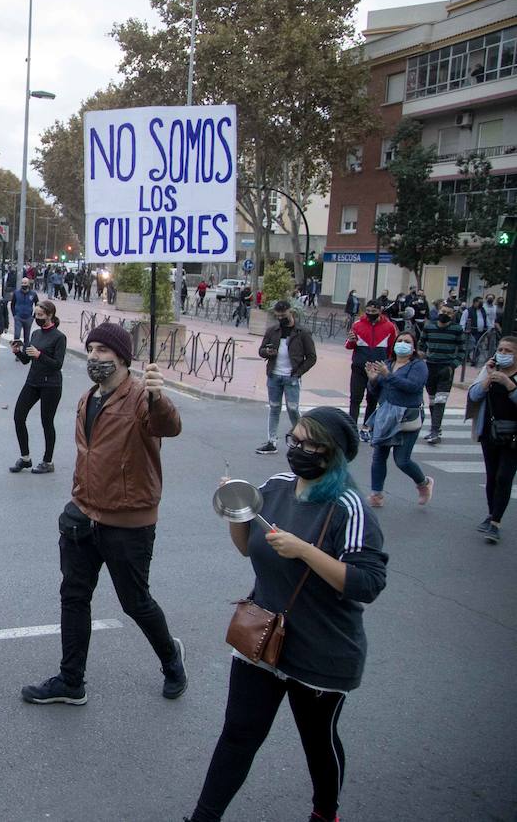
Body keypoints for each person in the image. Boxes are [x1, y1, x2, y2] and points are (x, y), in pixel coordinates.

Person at [185, 407, 387, 822]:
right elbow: (247, 547)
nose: (297, 450)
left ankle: (324, 813)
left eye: (309, 443)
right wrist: (234, 509)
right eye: (293, 440)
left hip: (321, 651)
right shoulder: (275, 487)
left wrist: (305, 550)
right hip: (262, 638)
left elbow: (367, 583)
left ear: (333, 453)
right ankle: (204, 817)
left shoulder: (348, 507)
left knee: (318, 743)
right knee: (238, 735)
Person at [22, 322, 185, 706]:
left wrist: (159, 397)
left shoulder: (143, 398)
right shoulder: (88, 398)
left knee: (135, 602)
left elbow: (168, 427)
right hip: (83, 516)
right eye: (91, 348)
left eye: (103, 350)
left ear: (123, 357)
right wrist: (77, 500)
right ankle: (71, 681)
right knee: (74, 597)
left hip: (128, 522)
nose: (94, 356)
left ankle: (171, 660)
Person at [363, 327, 433, 508]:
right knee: (379, 456)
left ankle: (423, 484)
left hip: (407, 416)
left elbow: (413, 387)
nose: (402, 345)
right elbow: (376, 392)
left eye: (407, 342)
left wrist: (388, 376)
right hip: (386, 415)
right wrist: (372, 380)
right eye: (399, 341)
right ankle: (376, 494)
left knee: (402, 460)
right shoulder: (387, 363)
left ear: (414, 348)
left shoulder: (418, 365)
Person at [469, 334, 517, 544]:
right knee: (491, 476)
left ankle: (496, 523)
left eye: (509, 351)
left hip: (513, 436)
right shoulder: (490, 370)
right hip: (490, 432)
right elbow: (473, 395)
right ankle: (491, 513)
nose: (503, 354)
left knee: (504, 478)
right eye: (501, 350)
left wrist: (509, 384)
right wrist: (488, 378)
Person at [9, 300, 66, 475]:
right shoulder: (35, 334)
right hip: (33, 381)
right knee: (19, 416)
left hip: (51, 384)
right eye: (36, 315)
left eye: (40, 315)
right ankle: (25, 458)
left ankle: (48, 461)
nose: (37, 318)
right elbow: (27, 360)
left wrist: (40, 355)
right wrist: (18, 351)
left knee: (46, 422)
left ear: (50, 315)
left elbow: (57, 364)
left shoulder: (59, 337)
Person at [255, 301, 317, 455]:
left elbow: (311, 357)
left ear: (291, 312)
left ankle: (302, 440)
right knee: (274, 407)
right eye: (278, 316)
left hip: (291, 377)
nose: (281, 318)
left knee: (293, 409)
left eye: (284, 315)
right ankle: (271, 441)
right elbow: (261, 350)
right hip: (274, 375)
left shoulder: (302, 332)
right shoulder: (272, 330)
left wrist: (298, 372)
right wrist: (267, 352)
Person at [345, 299, 396, 437]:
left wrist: (389, 366)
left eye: (373, 311)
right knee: (355, 398)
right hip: (359, 367)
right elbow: (349, 346)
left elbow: (392, 349)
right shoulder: (357, 325)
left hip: (378, 369)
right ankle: (351, 427)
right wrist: (352, 341)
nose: (370, 314)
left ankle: (366, 427)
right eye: (368, 311)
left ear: (380, 311)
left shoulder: (390, 327)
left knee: (372, 399)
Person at [420, 303, 463, 444]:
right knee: (432, 400)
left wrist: (452, 366)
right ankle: (435, 428)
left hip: (446, 368)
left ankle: (434, 431)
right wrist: (421, 357)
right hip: (430, 367)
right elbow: (422, 343)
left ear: (453, 315)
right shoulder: (429, 326)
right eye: (443, 311)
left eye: (449, 313)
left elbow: (463, 350)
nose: (445, 314)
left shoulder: (457, 329)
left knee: (440, 400)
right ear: (438, 311)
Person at [10, 276, 39, 345]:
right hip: (18, 317)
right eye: (22, 283)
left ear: (28, 284)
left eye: (25, 283)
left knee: (27, 337)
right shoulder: (16, 293)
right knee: (17, 335)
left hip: (28, 318)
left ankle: (25, 352)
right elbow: (12, 304)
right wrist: (14, 314)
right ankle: (17, 352)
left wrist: (34, 316)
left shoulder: (33, 294)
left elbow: (37, 304)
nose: (24, 285)